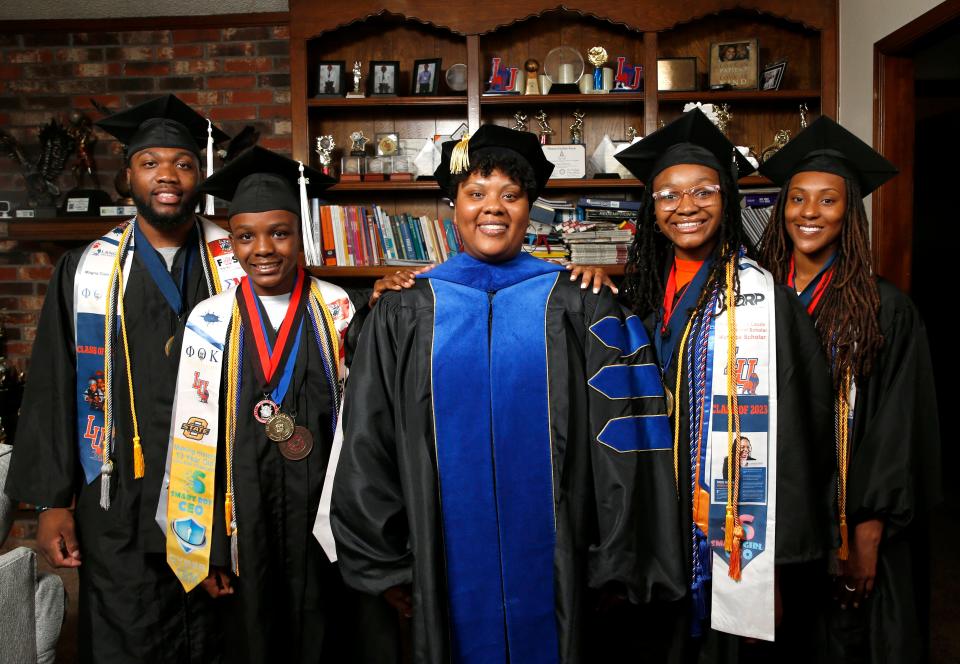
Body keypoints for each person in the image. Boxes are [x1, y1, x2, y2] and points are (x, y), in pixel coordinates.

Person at [330, 124, 686, 663]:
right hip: (440, 565)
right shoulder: (404, 311)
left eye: (510, 195)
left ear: (530, 208)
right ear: (453, 206)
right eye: (476, 193)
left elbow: (628, 447)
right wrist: (386, 564)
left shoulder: (584, 304)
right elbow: (366, 443)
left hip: (561, 574)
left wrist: (613, 560)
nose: (492, 208)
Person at [4, 94, 241, 663]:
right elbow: (55, 385)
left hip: (220, 495)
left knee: (226, 638)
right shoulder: (85, 271)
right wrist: (50, 505)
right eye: (151, 162)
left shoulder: (238, 261)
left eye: (183, 164)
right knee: (127, 639)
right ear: (128, 176)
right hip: (117, 500)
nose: (168, 176)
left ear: (201, 176)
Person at [157, 145, 398, 663]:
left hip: (326, 523)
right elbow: (190, 439)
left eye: (280, 233)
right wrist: (203, 549)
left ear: (301, 233)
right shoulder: (210, 319)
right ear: (233, 242)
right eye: (246, 236)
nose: (263, 248)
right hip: (244, 526)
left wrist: (381, 312)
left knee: (330, 639)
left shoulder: (338, 308)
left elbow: (369, 419)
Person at [614, 108, 835, 661]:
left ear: (727, 200)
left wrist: (774, 568)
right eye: (668, 195)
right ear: (652, 210)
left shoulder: (763, 300)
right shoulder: (639, 295)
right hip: (657, 517)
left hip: (730, 528)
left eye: (703, 191)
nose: (685, 206)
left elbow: (794, 443)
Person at [757, 116, 942, 663]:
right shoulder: (754, 295)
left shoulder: (884, 310)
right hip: (776, 517)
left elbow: (894, 430)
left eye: (827, 200)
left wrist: (866, 538)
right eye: (796, 199)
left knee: (848, 642)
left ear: (849, 212)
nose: (808, 213)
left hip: (848, 518)